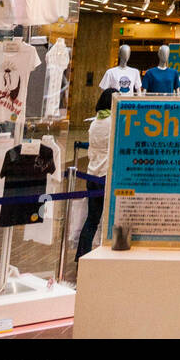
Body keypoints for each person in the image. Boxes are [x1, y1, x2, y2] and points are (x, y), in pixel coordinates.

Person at [76, 88, 115, 260]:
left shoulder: (94, 123)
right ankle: (105, 257)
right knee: (109, 221)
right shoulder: (113, 121)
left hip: (92, 174)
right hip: (107, 175)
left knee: (92, 219)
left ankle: (81, 255)